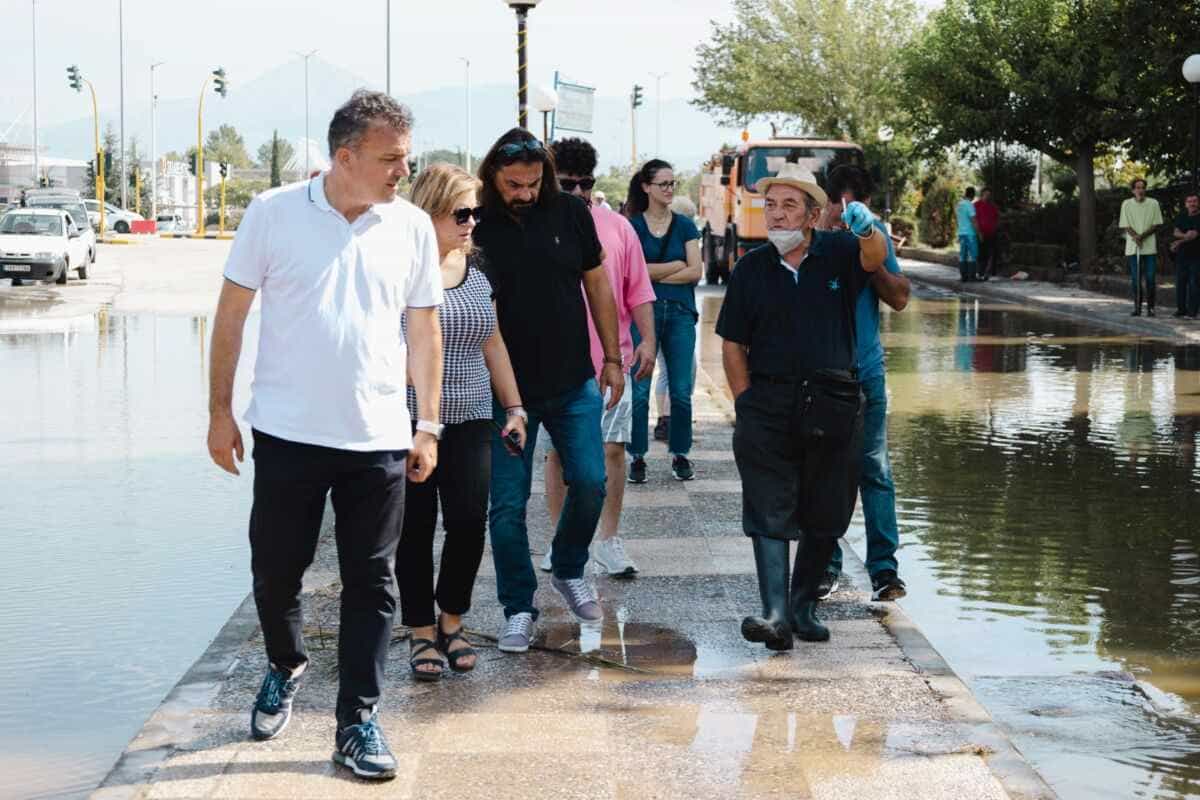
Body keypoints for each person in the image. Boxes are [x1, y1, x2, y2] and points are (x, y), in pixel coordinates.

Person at [206, 90, 441, 780]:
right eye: (392, 158)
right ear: (346, 156)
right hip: (286, 432)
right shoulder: (273, 214)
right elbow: (230, 317)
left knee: (373, 579)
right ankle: (285, 663)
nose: (405, 169)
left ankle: (357, 722)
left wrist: (426, 424)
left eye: (406, 156)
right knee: (278, 569)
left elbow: (422, 329)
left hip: (376, 436)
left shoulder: (412, 227)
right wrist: (220, 412)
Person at [716, 163, 887, 651]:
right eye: (771, 205)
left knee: (827, 509)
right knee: (767, 506)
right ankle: (774, 615)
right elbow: (732, 343)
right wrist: (745, 402)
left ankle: (802, 607)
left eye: (789, 205)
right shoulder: (751, 268)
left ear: (813, 214)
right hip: (767, 403)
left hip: (832, 401)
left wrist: (867, 227)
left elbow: (875, 260)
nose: (777, 214)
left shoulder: (838, 252)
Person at [472, 128, 625, 654]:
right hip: (503, 391)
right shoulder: (477, 223)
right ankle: (518, 606)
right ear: (493, 176)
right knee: (507, 506)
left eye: (534, 182)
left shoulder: (570, 213)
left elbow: (598, 284)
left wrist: (611, 356)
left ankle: (567, 566)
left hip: (572, 381)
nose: (525, 193)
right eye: (514, 184)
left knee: (590, 481)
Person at [397, 163, 526, 682]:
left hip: (472, 415)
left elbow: (492, 341)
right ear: (428, 212)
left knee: (470, 523)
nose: (472, 222)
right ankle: (419, 630)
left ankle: (453, 619)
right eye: (461, 213)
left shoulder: (478, 270)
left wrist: (513, 407)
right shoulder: (401, 270)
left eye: (476, 211)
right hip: (409, 419)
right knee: (413, 530)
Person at [540, 138, 657, 578]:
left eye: (586, 184)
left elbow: (639, 290)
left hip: (612, 364)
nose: (579, 193)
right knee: (558, 455)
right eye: (569, 184)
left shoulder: (617, 228)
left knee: (612, 451)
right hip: (554, 365)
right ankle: (560, 540)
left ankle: (608, 540)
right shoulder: (538, 227)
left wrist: (649, 341)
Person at [816, 165, 910, 603]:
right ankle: (825, 567)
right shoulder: (811, 240)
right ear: (828, 203)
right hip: (820, 376)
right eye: (843, 204)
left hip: (866, 372)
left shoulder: (875, 238)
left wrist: (869, 255)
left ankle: (885, 572)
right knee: (825, 471)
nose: (849, 212)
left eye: (859, 205)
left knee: (875, 469)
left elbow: (900, 298)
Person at [625, 159, 703, 484]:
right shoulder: (632, 225)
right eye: (663, 184)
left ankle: (680, 453)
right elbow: (631, 274)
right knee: (640, 390)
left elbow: (696, 271)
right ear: (646, 187)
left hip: (681, 314)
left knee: (682, 390)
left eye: (673, 183)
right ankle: (637, 456)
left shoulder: (685, 225)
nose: (670, 189)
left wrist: (652, 272)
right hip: (642, 315)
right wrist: (675, 265)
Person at [1120, 178, 1164, 317]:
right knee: (1136, 279)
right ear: (1133, 190)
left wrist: (1141, 237)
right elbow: (1125, 224)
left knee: (1150, 278)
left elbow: (1156, 224)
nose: (1140, 190)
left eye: (1142, 187)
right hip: (1133, 248)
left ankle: (1151, 308)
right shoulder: (1126, 204)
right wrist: (1136, 237)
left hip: (1149, 246)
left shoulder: (1153, 203)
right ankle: (1137, 307)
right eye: (1137, 188)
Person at [1170, 191, 1200, 319]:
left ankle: (1192, 312)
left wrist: (1178, 242)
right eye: (1190, 201)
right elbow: (1175, 231)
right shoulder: (1182, 215)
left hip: (1197, 255)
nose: (1192, 204)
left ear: (1198, 203)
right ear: (1186, 204)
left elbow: (1194, 235)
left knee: (1194, 283)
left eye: (1194, 201)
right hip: (1182, 256)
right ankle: (1181, 310)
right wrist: (1183, 237)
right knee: (1180, 283)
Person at [974, 187, 1000, 280]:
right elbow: (974, 220)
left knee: (990, 254)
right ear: (982, 195)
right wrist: (978, 233)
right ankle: (980, 273)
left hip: (991, 234)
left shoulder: (993, 206)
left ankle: (987, 273)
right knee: (981, 254)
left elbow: (996, 218)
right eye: (986, 195)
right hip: (980, 234)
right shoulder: (976, 205)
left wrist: (995, 228)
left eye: (989, 195)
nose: (987, 197)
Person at [955, 186, 981, 282]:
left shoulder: (959, 205)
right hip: (970, 234)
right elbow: (974, 220)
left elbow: (959, 220)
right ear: (972, 195)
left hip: (961, 233)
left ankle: (964, 276)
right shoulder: (969, 205)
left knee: (962, 255)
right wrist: (979, 233)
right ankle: (972, 277)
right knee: (972, 255)